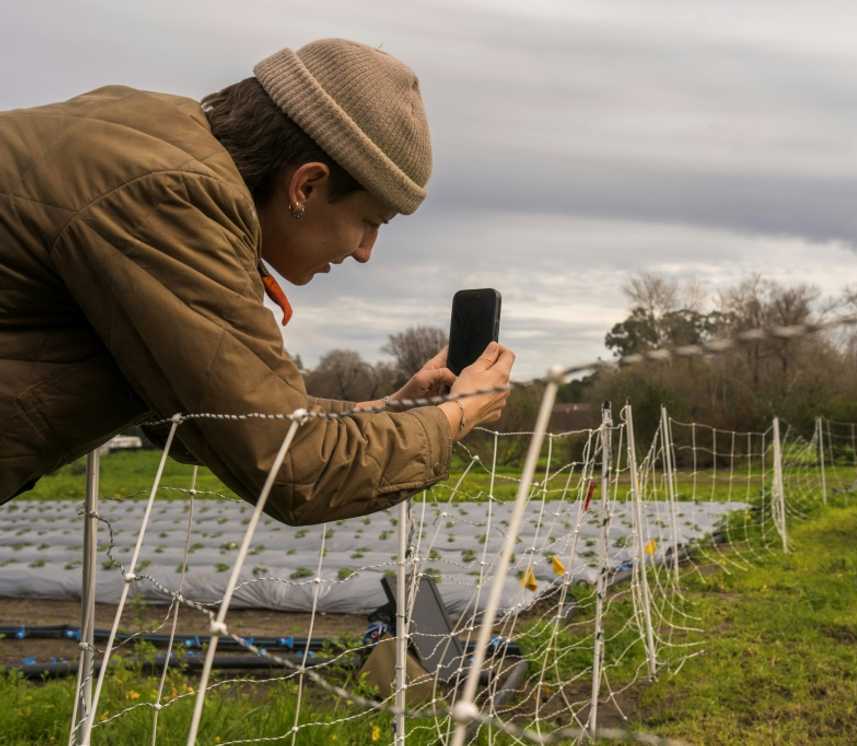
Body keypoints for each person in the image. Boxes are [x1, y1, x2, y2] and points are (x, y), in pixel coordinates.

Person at [0, 38, 515, 524]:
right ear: (307, 185)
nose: (364, 253)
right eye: (370, 222)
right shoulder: (173, 198)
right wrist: (457, 415)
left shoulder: (151, 142)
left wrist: (388, 410)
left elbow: (209, 415)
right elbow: (292, 466)